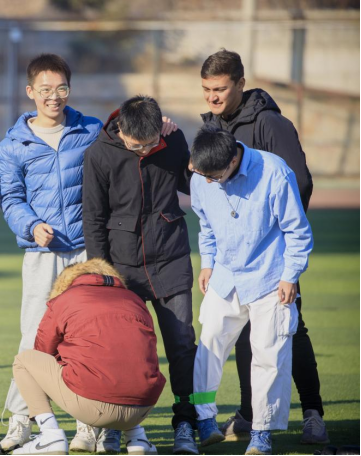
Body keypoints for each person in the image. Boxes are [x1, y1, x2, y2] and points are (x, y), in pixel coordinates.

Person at [0, 54, 175, 454]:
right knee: (34, 335)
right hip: (42, 253)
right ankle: (21, 420)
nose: (54, 96)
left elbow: (133, 136)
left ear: (69, 89)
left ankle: (88, 427)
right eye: (45, 89)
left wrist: (162, 126)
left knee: (92, 338)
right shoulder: (12, 145)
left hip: (88, 252)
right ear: (30, 92)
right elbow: (11, 198)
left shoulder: (92, 130)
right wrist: (31, 225)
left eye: (61, 88)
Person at [199, 48, 326, 444]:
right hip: (233, 264)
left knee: (289, 331)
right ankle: (250, 413)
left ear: (240, 83)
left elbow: (298, 182)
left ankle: (312, 413)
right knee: (240, 337)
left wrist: (282, 252)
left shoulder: (270, 123)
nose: (213, 97)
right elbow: (207, 202)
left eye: (220, 89)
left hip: (274, 257)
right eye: (206, 90)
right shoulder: (211, 126)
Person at [83, 95, 199, 454]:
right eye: (138, 146)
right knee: (122, 352)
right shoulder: (99, 153)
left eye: (151, 144)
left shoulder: (171, 138)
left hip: (171, 260)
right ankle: (117, 425)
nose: (146, 150)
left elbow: (191, 185)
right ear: (122, 130)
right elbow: (94, 217)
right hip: (122, 270)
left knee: (182, 345)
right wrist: (102, 274)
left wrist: (192, 156)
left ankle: (187, 421)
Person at [189, 125, 313, 455]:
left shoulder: (274, 172)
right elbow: (205, 225)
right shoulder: (202, 176)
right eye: (204, 176)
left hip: (270, 278)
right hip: (224, 276)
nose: (209, 182)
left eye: (214, 176)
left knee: (269, 356)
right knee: (209, 343)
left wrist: (290, 275)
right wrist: (207, 262)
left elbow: (297, 231)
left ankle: (262, 433)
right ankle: (205, 419)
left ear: (233, 160)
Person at [11, 258, 166, 456]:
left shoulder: (66, 298)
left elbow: (42, 351)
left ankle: (50, 436)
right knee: (127, 361)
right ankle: (137, 439)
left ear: (66, 281)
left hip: (92, 407)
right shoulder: (134, 299)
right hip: (143, 408)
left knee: (24, 361)